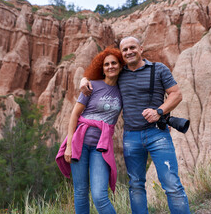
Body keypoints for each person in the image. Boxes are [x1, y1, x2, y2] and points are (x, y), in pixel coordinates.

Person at [80, 36, 191, 214]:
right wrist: (83, 79)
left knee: (171, 184)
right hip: (131, 136)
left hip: (157, 134)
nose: (129, 52)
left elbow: (176, 94)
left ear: (141, 49)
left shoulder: (158, 69)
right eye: (125, 50)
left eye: (132, 47)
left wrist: (159, 112)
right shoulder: (119, 74)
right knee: (136, 185)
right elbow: (97, 75)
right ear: (122, 54)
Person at [56, 47, 125, 214]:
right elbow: (75, 115)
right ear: (101, 68)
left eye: (114, 63)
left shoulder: (124, 90)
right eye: (106, 64)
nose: (110, 67)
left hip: (100, 148)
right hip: (80, 143)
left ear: (121, 66)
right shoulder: (92, 86)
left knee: (100, 196)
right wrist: (69, 146)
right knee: (80, 192)